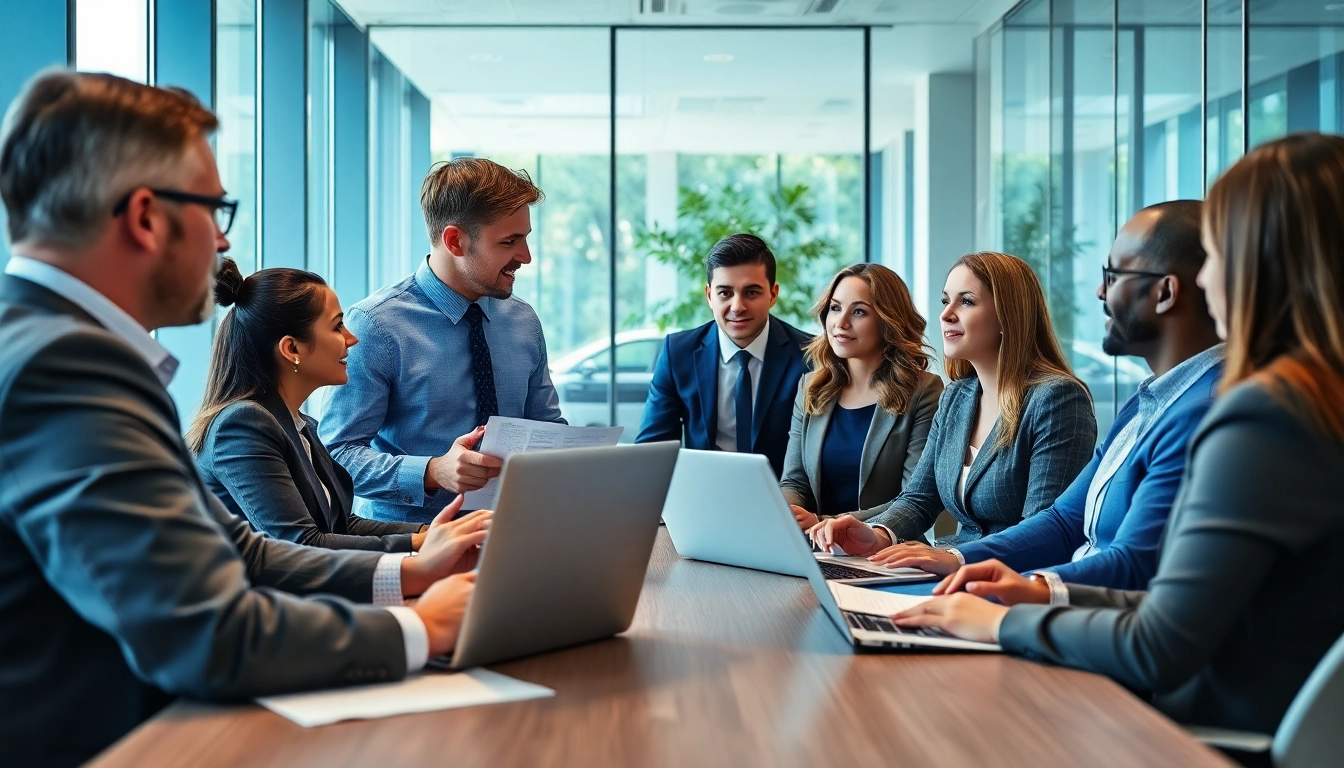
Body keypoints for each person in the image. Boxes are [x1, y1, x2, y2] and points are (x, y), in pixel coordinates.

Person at [0, 71, 485, 767]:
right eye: (214, 211)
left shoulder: (47, 345)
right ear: (145, 217)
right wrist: (419, 629)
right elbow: (207, 634)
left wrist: (410, 571)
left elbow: (240, 550)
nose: (224, 246)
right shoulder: (66, 367)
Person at [893, 133, 1344, 736]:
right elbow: (1158, 598)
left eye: (1215, 254)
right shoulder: (1295, 402)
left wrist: (1001, 619)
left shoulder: (1261, 416)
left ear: (1258, 263)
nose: (1206, 279)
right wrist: (1033, 593)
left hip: (1195, 729)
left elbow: (1160, 639)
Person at [867, 202, 1224, 595]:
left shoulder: (1201, 409)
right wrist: (902, 541)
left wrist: (1036, 590)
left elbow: (1133, 561)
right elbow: (1064, 520)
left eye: (1114, 275)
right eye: (945, 301)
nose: (1100, 290)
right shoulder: (1144, 404)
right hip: (1003, 580)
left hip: (1039, 590)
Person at [319, 157, 564, 524]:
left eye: (525, 239)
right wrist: (433, 472)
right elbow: (334, 456)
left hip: (516, 532)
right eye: (509, 242)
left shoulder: (523, 320)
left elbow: (546, 430)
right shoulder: (375, 325)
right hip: (411, 547)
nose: (525, 257)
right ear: (454, 241)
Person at [810, 252, 1096, 552]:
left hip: (1013, 579)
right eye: (946, 301)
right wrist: (877, 534)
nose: (946, 315)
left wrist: (956, 558)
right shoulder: (956, 398)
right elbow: (919, 499)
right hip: (951, 569)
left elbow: (1045, 530)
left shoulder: (1058, 399)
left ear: (1008, 315)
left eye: (967, 301)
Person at [191, 259, 454, 552]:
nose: (352, 339)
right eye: (337, 326)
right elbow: (302, 544)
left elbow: (341, 526)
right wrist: (422, 543)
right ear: (292, 349)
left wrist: (430, 531)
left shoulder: (298, 423)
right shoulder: (242, 426)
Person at [779, 263, 944, 529]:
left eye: (859, 312)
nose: (841, 323)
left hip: (883, 550)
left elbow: (913, 499)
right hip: (811, 546)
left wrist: (824, 522)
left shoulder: (924, 391)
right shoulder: (811, 386)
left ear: (888, 321)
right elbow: (795, 481)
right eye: (835, 308)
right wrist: (788, 511)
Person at [636, 233, 811, 478]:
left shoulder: (809, 355)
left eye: (751, 292)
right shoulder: (678, 353)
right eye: (725, 293)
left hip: (784, 501)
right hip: (703, 496)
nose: (737, 306)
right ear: (709, 295)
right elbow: (652, 451)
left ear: (773, 295)